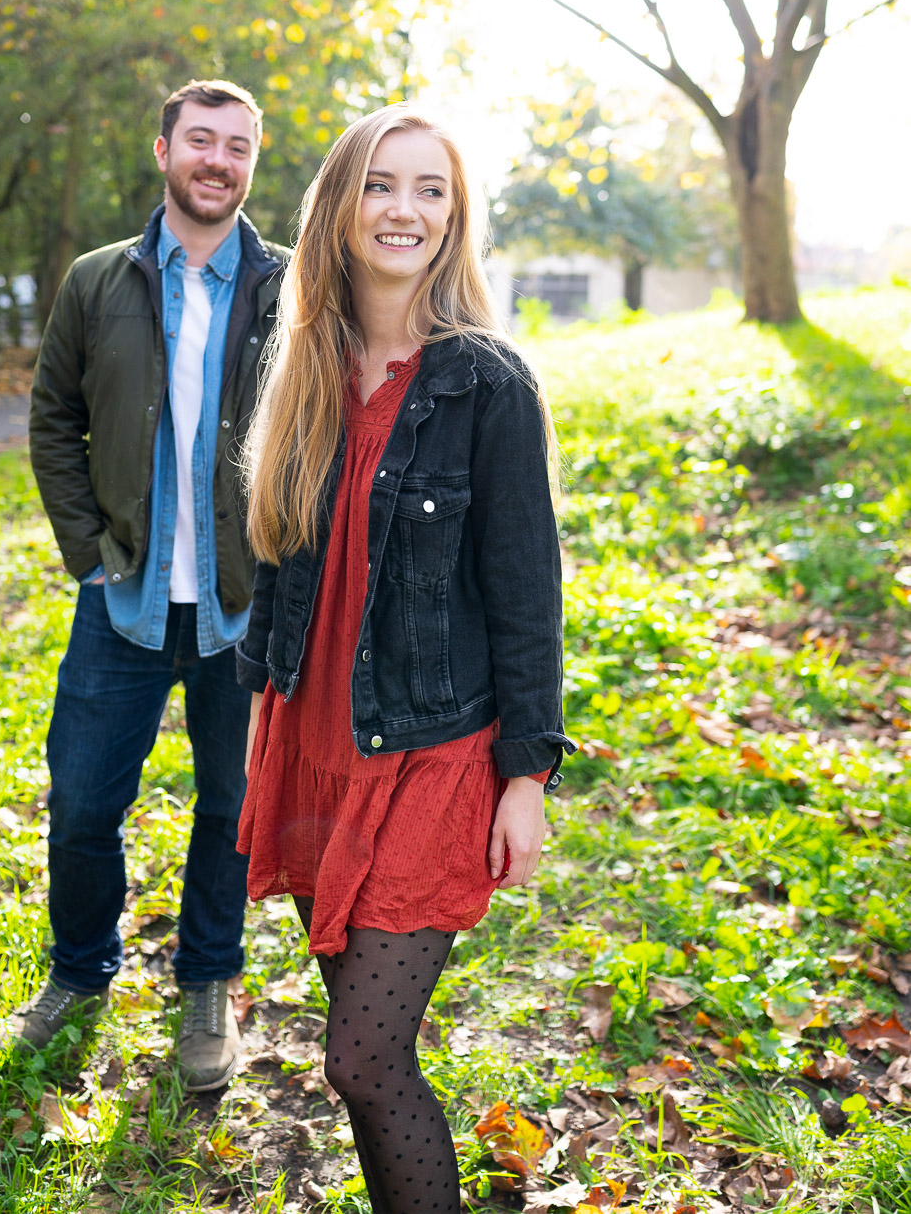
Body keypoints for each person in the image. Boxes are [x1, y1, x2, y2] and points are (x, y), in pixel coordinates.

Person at [236, 105, 574, 1210]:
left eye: (431, 190)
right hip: (310, 742)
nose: (405, 210)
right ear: (341, 206)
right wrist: (259, 717)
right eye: (383, 184)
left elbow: (526, 595)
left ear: (454, 218)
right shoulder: (302, 366)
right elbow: (285, 560)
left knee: (361, 1060)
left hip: (428, 754)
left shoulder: (486, 382)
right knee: (364, 1067)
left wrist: (524, 777)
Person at [19, 79, 283, 1091]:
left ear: (253, 163)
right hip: (121, 606)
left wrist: (285, 567)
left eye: (239, 147)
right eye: (201, 141)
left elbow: (319, 436)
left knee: (230, 809)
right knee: (83, 806)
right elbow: (53, 419)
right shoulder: (96, 281)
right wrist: (88, 551)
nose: (218, 161)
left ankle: (206, 985)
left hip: (243, 609)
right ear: (163, 149)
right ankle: (80, 973)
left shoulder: (292, 287)